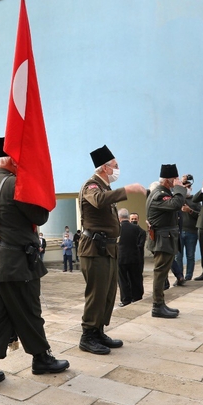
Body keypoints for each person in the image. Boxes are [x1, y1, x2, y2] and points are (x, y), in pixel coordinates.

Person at [0, 138, 69, 385]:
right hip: (15, 261)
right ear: (13, 159)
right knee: (29, 310)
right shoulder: (16, 184)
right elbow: (41, 215)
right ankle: (41, 358)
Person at [77, 145, 145, 354]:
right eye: (115, 165)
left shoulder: (105, 187)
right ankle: (87, 335)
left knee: (108, 293)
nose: (118, 169)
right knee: (96, 294)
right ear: (105, 168)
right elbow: (98, 202)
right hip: (94, 249)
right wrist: (127, 190)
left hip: (107, 249)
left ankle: (98, 331)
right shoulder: (92, 186)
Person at [145, 164, 185, 319]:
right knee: (160, 273)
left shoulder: (162, 192)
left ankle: (160, 303)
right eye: (175, 179)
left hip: (165, 238)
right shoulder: (160, 194)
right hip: (163, 239)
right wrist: (180, 189)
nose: (178, 181)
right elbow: (176, 204)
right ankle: (157, 306)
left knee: (162, 273)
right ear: (169, 180)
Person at [118, 209, 144, 307]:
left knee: (123, 280)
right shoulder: (136, 228)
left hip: (121, 257)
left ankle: (125, 299)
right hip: (134, 256)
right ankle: (137, 296)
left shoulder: (118, 228)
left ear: (119, 218)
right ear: (128, 217)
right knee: (135, 278)